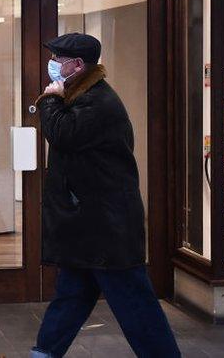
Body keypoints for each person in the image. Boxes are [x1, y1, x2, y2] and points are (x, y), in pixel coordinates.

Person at [31, 33, 180, 358]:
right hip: (89, 228)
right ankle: (43, 352)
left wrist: (51, 99)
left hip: (107, 230)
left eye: (58, 59)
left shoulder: (98, 102)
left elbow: (62, 135)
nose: (53, 65)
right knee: (71, 296)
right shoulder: (81, 96)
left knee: (135, 305)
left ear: (78, 65)